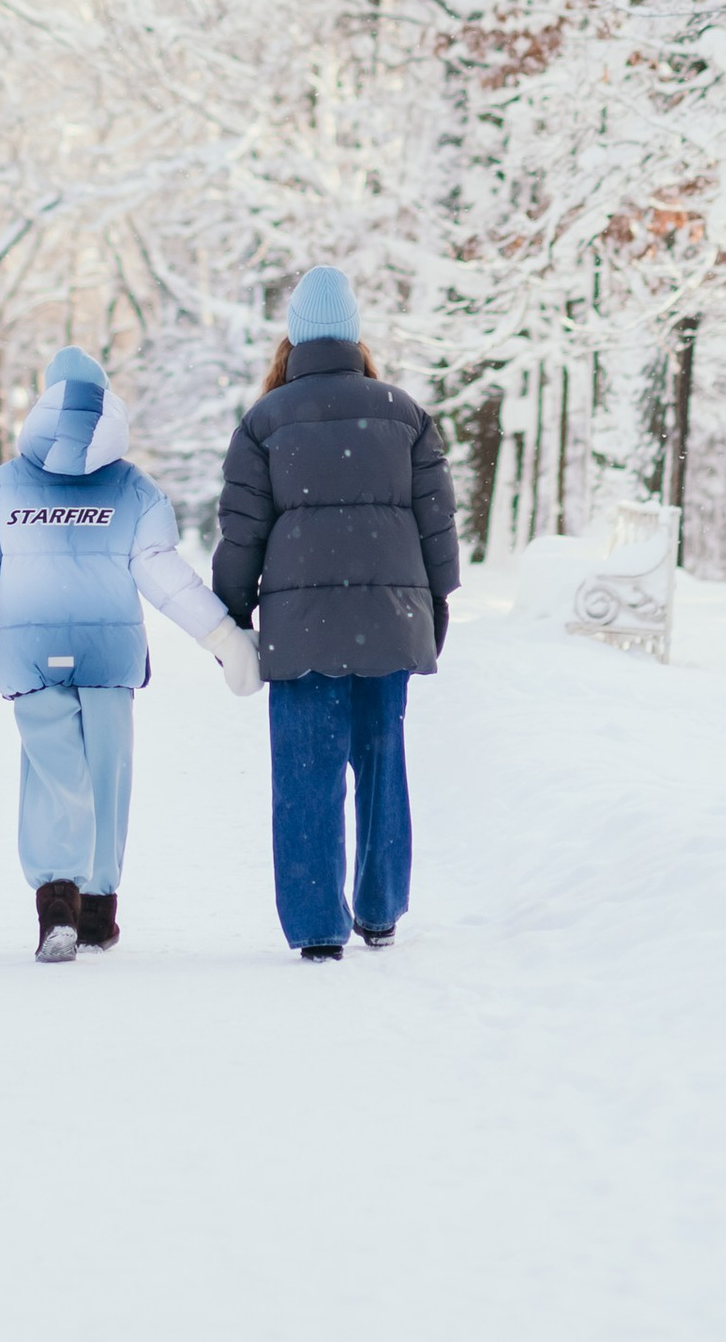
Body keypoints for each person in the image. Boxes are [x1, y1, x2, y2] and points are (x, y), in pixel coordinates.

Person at [0, 344, 259, 960]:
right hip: (109, 656)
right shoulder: (133, 489)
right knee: (109, 774)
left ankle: (58, 904)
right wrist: (222, 638)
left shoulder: (7, 485)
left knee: (53, 777)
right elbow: (166, 579)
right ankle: (99, 912)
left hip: (32, 653)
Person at [212, 265, 459, 960]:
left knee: (305, 773)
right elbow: (438, 524)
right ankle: (380, 909)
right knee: (383, 764)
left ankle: (319, 923)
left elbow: (242, 533)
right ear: (356, 337)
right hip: (392, 617)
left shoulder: (264, 422)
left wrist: (232, 618)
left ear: (290, 342)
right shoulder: (405, 413)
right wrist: (434, 607)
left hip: (301, 629)